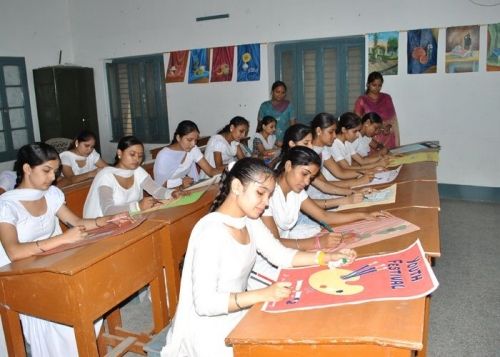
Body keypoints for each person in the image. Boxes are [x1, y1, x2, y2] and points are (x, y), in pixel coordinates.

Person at [161, 158, 356, 357]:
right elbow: (205, 304)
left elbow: (279, 254)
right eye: (260, 193)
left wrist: (325, 258)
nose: (265, 203)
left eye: (269, 196)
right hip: (207, 332)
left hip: (238, 312)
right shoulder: (210, 231)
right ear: (237, 186)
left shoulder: (248, 221)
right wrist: (264, 294)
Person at [0, 143, 128, 357]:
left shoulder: (51, 195)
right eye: (46, 171)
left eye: (55, 171)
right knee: (71, 308)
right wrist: (62, 239)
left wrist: (108, 220)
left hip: (46, 262)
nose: (52, 177)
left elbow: (76, 222)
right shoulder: (6, 205)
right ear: (27, 169)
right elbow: (13, 252)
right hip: (15, 272)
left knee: (90, 296)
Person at [250, 147, 387, 289]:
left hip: (290, 249)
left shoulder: (296, 191)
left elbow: (323, 216)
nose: (307, 182)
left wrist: (362, 215)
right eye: (304, 174)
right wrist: (317, 242)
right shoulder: (268, 195)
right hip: (266, 263)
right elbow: (274, 243)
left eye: (310, 178)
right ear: (288, 166)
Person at [83, 136, 174, 218]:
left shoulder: (137, 171)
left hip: (127, 219)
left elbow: (156, 190)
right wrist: (138, 206)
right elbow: (108, 210)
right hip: (102, 224)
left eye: (140, 155)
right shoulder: (106, 176)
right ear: (120, 153)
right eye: (132, 154)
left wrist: (172, 193)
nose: (137, 159)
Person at [154, 120, 222, 189]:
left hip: (184, 189)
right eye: (189, 140)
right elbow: (160, 186)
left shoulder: (193, 149)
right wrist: (180, 183)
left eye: (196, 140)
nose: (193, 144)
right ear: (178, 138)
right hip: (167, 193)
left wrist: (228, 173)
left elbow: (210, 170)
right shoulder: (164, 156)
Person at [354, 71, 400, 149]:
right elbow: (356, 123)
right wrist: (377, 129)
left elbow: (393, 120)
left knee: (390, 159)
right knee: (372, 160)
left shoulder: (386, 98)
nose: (377, 88)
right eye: (374, 85)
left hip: (388, 137)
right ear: (368, 84)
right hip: (371, 138)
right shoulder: (362, 100)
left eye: (379, 85)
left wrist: (388, 127)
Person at [257, 81, 297, 145]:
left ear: (285, 94)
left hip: (285, 141)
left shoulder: (289, 106)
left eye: (283, 92)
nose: (280, 95)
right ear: (272, 92)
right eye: (277, 92)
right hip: (268, 142)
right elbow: (260, 126)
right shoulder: (264, 106)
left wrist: (291, 141)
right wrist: (259, 141)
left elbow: (293, 127)